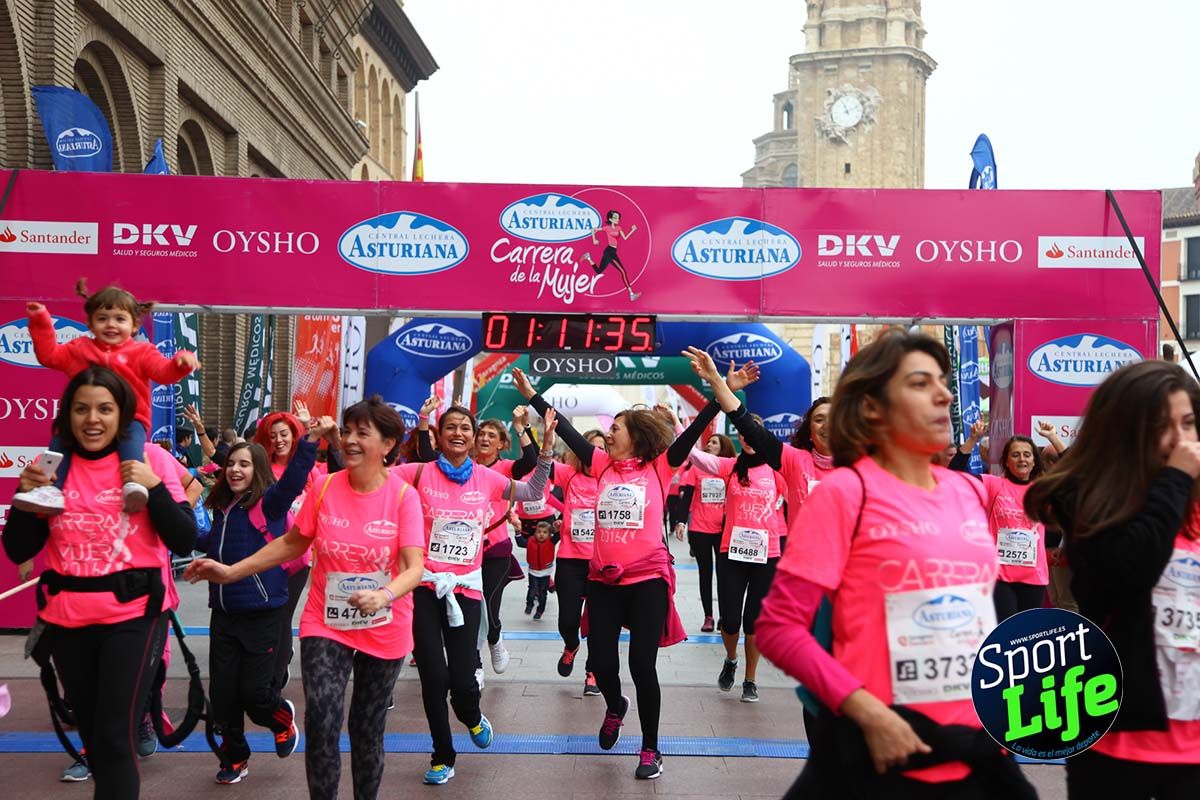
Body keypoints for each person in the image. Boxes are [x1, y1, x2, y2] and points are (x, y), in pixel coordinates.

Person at [707, 333, 1033, 798]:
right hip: (881, 752)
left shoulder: (970, 491)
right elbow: (779, 628)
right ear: (872, 408)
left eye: (943, 382)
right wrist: (868, 712)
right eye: (921, 383)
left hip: (973, 750)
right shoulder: (846, 493)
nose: (943, 394)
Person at [187, 396, 425, 800]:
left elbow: (413, 567)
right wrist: (229, 572)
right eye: (347, 431)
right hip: (327, 621)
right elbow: (291, 543)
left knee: (366, 730)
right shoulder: (326, 485)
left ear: (387, 445)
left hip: (385, 625)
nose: (349, 440)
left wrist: (384, 595)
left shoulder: (403, 498)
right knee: (322, 723)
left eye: (361, 434)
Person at [3, 366, 197, 799]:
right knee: (93, 735)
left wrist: (155, 490)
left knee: (114, 737)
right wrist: (24, 498)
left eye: (105, 409)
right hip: (67, 620)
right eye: (82, 409)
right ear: (67, 416)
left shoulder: (149, 460)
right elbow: (19, 549)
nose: (93, 419)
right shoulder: (50, 467)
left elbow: (185, 536)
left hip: (133, 617)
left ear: (122, 415)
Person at [513, 367, 713, 781]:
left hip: (647, 580)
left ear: (635, 437)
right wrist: (534, 395)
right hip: (603, 580)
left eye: (615, 427)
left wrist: (719, 393)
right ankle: (615, 705)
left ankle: (651, 748)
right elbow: (564, 428)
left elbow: (692, 435)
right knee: (602, 663)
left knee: (642, 664)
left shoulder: (660, 467)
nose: (608, 433)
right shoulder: (600, 464)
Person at [1025, 360, 1200, 799]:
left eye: (1190, 423)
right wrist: (1176, 477)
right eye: (1163, 426)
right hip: (1122, 745)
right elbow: (1129, 570)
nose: (1181, 440)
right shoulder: (1090, 502)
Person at [392, 403, 555, 785]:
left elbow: (531, 490)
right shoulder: (416, 473)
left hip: (466, 591)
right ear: (440, 434)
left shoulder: (487, 478)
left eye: (466, 427)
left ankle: (473, 716)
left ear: (473, 433)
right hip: (423, 586)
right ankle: (442, 755)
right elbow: (373, 479)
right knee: (433, 677)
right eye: (451, 427)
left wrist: (545, 448)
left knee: (464, 682)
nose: (459, 433)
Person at [195, 417, 334, 784]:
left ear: (257, 470)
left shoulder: (269, 505)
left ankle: (281, 718)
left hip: (263, 613)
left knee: (256, 696)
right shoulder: (222, 511)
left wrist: (310, 443)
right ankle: (235, 758)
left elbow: (291, 481)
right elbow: (207, 542)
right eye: (231, 464)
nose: (236, 470)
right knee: (223, 699)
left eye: (245, 464)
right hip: (223, 615)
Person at [13, 283, 200, 515]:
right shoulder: (79, 349)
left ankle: (133, 486)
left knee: (132, 447)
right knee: (59, 443)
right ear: (90, 324)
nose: (111, 324)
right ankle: (50, 490)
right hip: (78, 424)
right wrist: (40, 321)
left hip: (132, 418)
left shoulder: (143, 353)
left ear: (134, 326)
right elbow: (49, 355)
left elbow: (164, 371)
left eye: (120, 319)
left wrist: (181, 361)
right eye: (102, 318)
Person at [685, 413, 788, 704]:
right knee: (730, 622)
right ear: (741, 437)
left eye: (756, 430)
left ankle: (750, 680)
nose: (749, 436)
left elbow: (802, 499)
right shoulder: (730, 467)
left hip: (766, 555)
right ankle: (731, 659)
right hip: (732, 552)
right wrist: (678, 425)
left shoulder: (777, 471)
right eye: (745, 432)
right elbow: (694, 456)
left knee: (754, 621)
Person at [253, 401, 343, 693]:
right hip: (263, 555)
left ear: (294, 436)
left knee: (281, 618)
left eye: (285, 434)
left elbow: (329, 495)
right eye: (273, 435)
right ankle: (263, 674)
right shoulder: (260, 468)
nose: (279, 440)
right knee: (263, 618)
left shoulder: (310, 471)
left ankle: (273, 684)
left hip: (296, 557)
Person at [952, 419, 1064, 620]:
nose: (1022, 459)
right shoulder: (992, 485)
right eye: (1016, 454)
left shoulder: (1042, 490)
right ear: (1007, 461)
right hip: (1001, 576)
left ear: (1033, 461)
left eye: (1027, 455)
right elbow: (954, 476)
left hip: (1034, 577)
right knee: (1006, 634)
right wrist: (972, 440)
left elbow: (1076, 477)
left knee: (1028, 637)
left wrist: (1053, 438)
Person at [550, 427, 607, 695]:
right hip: (570, 560)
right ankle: (571, 645)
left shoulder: (612, 478)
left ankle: (592, 673)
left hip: (602, 563)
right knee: (567, 621)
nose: (595, 454)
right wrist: (525, 431)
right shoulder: (567, 473)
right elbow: (536, 465)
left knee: (599, 624)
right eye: (590, 448)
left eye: (601, 449)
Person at [675, 433, 735, 632]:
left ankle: (725, 615)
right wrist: (681, 522)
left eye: (714, 442)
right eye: (708, 442)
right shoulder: (697, 469)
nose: (709, 444)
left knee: (725, 574)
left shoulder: (729, 468)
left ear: (723, 447)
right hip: (699, 528)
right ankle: (708, 616)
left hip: (723, 529)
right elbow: (686, 498)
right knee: (705, 573)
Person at [583, 210, 641, 301]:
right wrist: (594, 239)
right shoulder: (607, 228)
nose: (617, 219)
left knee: (598, 271)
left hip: (612, 251)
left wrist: (632, 230)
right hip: (609, 252)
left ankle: (588, 257)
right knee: (623, 272)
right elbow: (593, 229)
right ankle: (631, 294)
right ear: (610, 219)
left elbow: (625, 238)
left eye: (618, 217)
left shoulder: (619, 228)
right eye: (615, 217)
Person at [520, 519, 559, 620]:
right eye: (539, 532)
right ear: (535, 533)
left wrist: (558, 528)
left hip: (545, 572)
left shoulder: (551, 542)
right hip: (533, 571)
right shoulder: (530, 541)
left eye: (545, 532)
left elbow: (559, 535)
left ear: (549, 534)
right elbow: (520, 543)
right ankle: (529, 604)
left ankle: (540, 610)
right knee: (532, 590)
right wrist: (517, 531)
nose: (541, 534)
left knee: (542, 593)